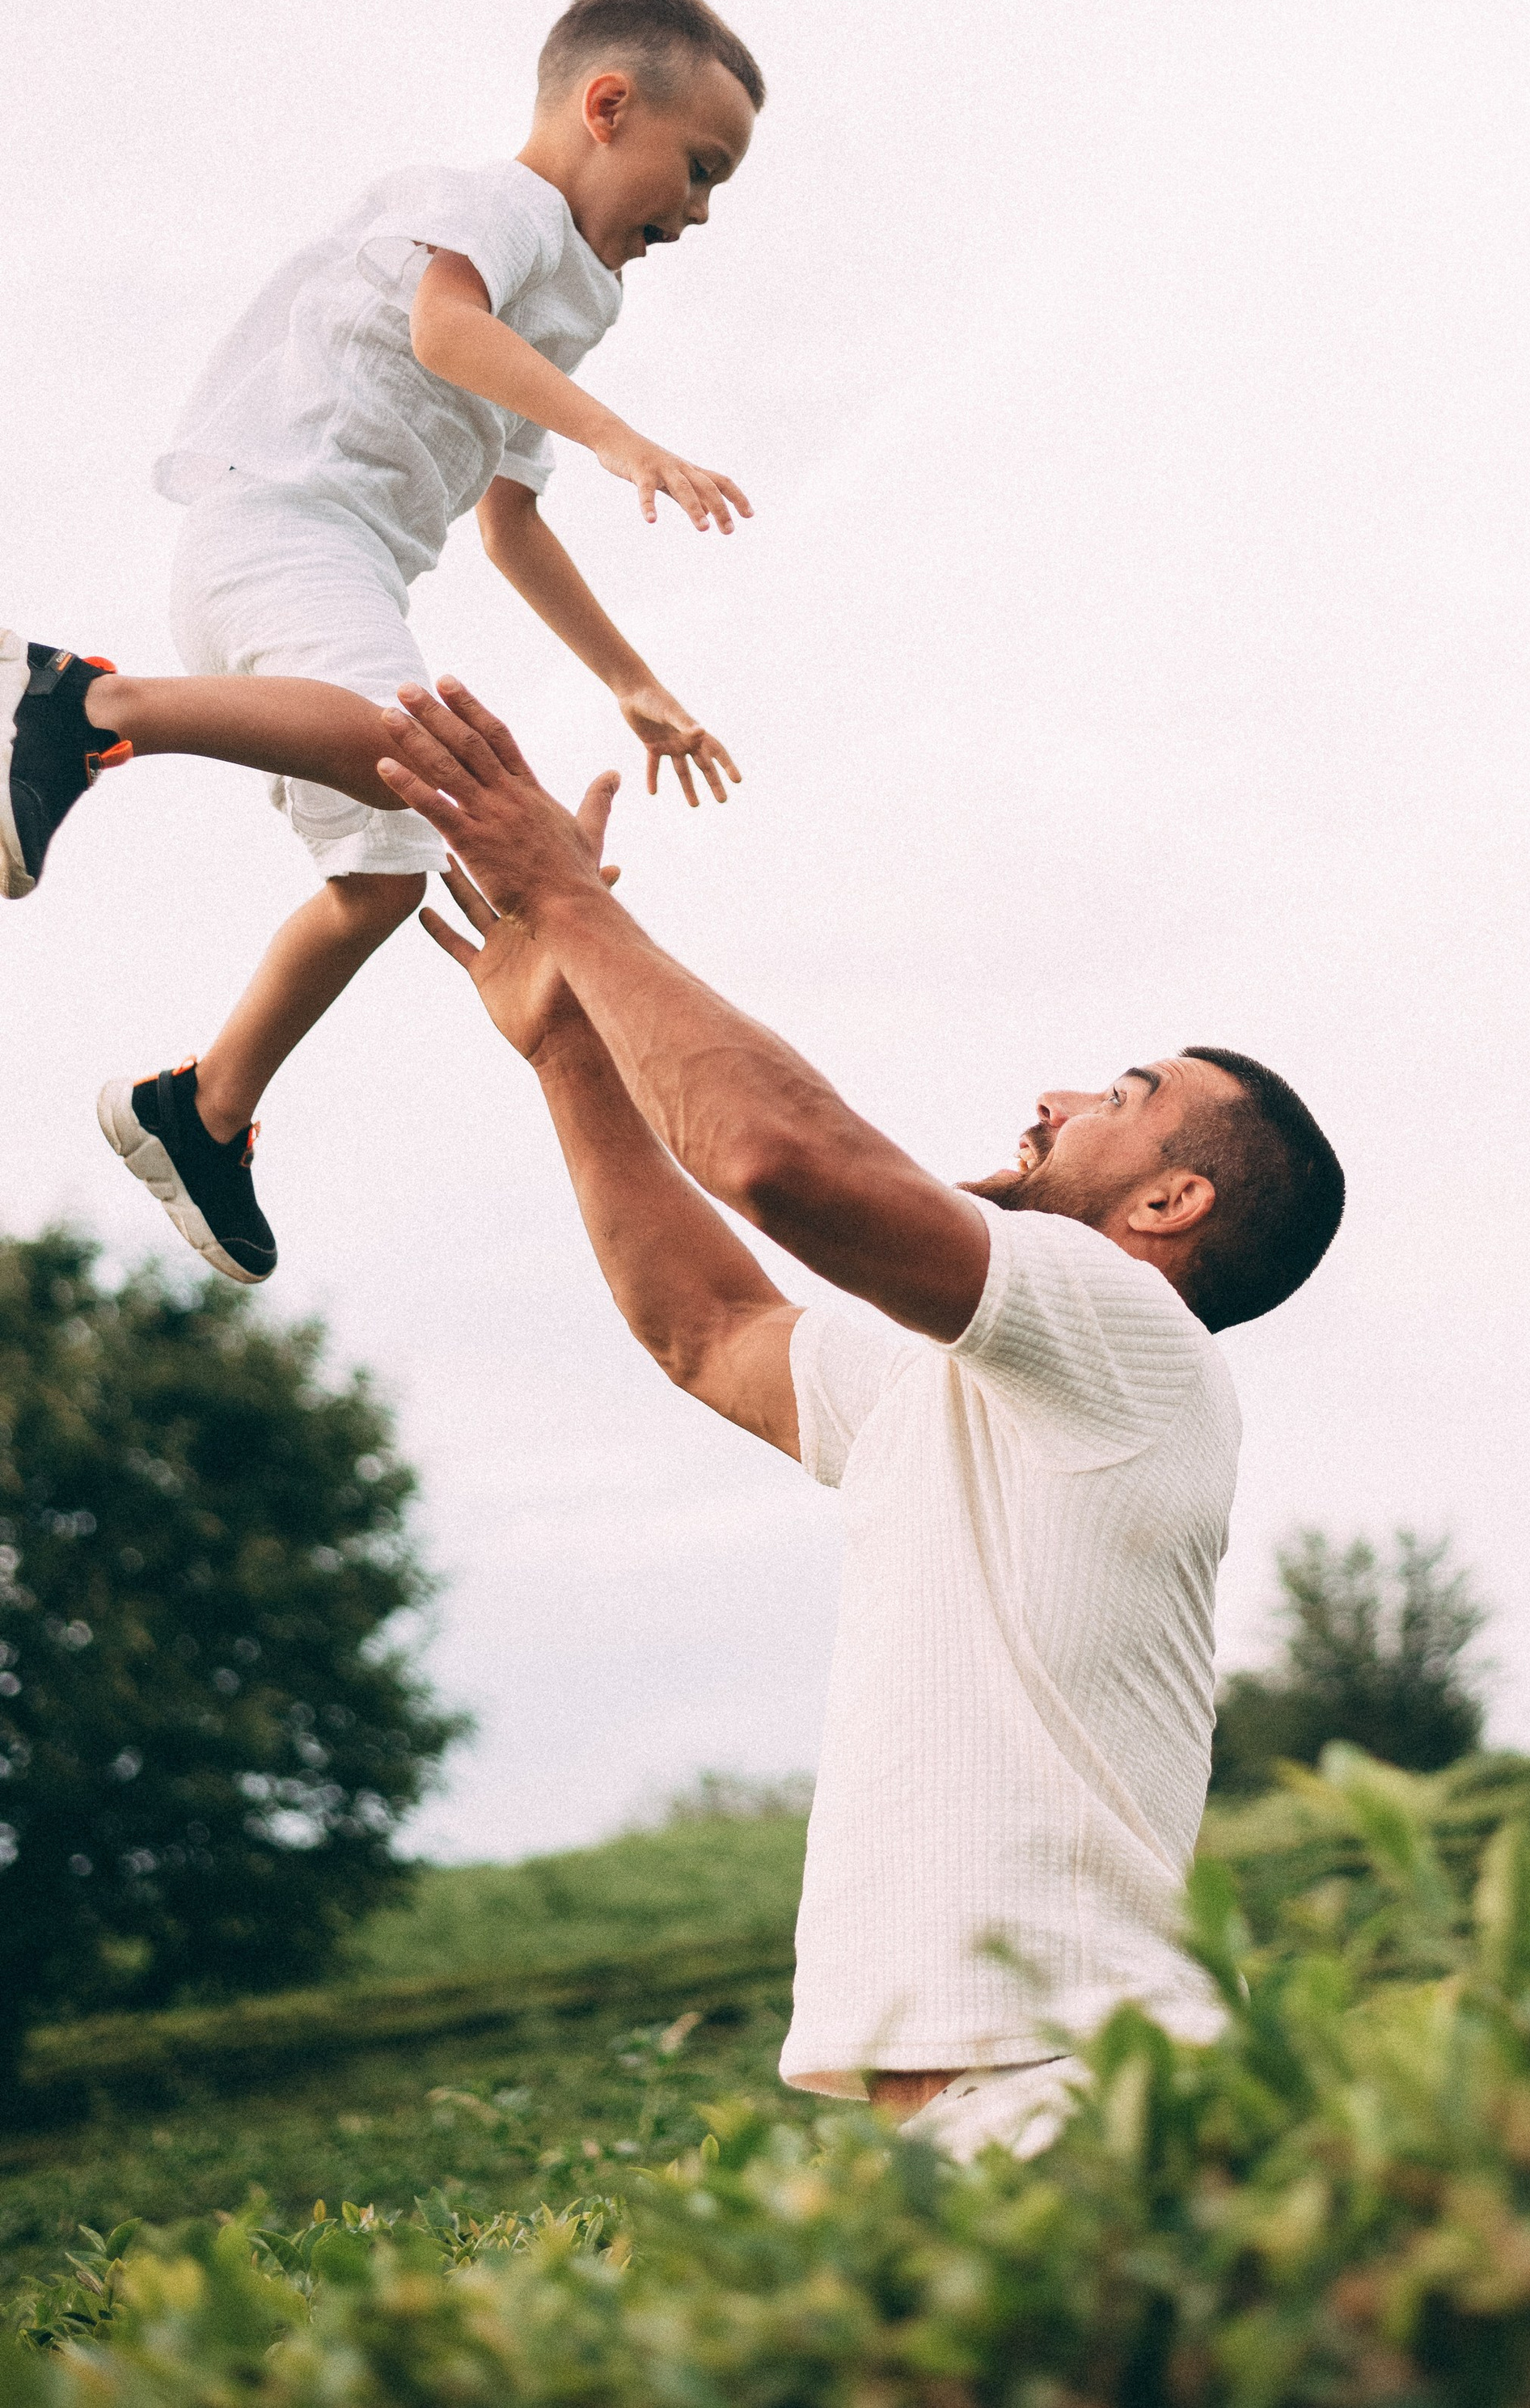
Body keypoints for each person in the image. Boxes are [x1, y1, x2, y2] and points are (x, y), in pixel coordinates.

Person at [374, 674, 1347, 2160]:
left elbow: (782, 1160)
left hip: (1076, 2080)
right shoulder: (979, 1372)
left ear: (1169, 1200)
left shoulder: (1126, 1326)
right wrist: (571, 1048)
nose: (1057, 1092)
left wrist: (575, 903)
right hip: (1005, 2094)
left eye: (1122, 1094)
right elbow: (709, 1330)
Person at [1, 0, 763, 1287]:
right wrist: (620, 435)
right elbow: (442, 325)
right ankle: (76, 704)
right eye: (698, 168)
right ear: (606, 104)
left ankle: (201, 1109)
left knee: (390, 870)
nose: (697, 213)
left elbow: (511, 524)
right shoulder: (484, 199)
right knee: (427, 757)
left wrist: (633, 682)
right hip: (282, 519)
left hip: (340, 568)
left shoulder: (576, 299)